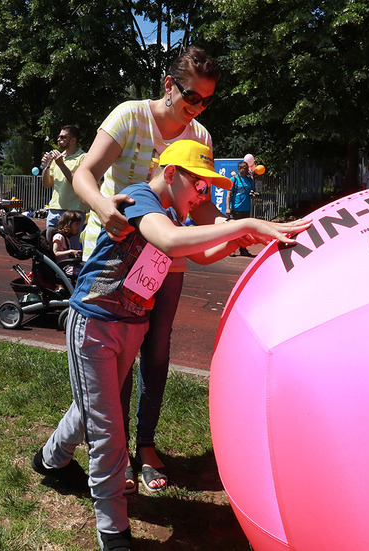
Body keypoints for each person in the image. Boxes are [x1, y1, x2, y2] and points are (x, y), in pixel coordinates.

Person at [32, 139, 311, 551]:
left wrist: (245, 242)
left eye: (207, 188)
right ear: (170, 175)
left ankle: (50, 460)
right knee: (108, 431)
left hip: (131, 326)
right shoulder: (142, 199)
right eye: (198, 185)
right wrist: (245, 226)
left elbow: (203, 252)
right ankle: (114, 533)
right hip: (94, 324)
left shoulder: (168, 214)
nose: (204, 195)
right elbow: (169, 243)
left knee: (93, 405)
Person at [72, 46, 251, 500]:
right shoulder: (130, 116)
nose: (197, 107)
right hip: (115, 256)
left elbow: (203, 203)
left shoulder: (201, 135)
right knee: (119, 355)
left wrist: (241, 233)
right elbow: (85, 173)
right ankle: (111, 452)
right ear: (169, 85)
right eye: (191, 96)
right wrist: (102, 206)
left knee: (156, 353)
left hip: (165, 260)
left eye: (207, 100)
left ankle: (145, 445)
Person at [41, 125, 88, 246]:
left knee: (71, 250)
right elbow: (46, 184)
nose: (59, 139)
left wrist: (61, 165)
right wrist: (46, 166)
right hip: (54, 210)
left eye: (63, 137)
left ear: (73, 140)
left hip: (73, 212)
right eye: (58, 137)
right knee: (50, 249)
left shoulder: (83, 158)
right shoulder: (58, 159)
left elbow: (78, 183)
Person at [227, 160, 257, 256]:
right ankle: (231, 249)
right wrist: (228, 208)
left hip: (246, 208)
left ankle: (243, 249)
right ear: (239, 169)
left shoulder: (249, 180)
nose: (247, 169)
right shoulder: (233, 179)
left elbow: (252, 192)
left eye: (247, 167)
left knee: (244, 231)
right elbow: (228, 195)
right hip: (236, 208)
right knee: (234, 230)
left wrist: (253, 195)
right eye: (244, 167)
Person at [52, 210, 84, 277]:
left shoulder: (66, 238)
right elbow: (55, 253)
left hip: (68, 265)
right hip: (63, 267)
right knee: (84, 273)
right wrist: (70, 251)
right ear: (68, 224)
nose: (78, 227)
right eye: (76, 224)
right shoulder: (59, 237)